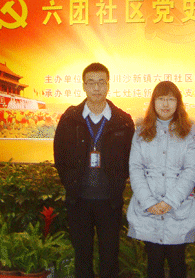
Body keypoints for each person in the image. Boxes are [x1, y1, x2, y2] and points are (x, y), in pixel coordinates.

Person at [53, 63, 135, 278]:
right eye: (91, 82)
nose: (96, 88)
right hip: (79, 200)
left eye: (101, 82)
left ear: (108, 85)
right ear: (83, 86)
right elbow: (60, 156)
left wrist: (118, 182)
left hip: (110, 201)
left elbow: (130, 157)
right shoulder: (70, 118)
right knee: (82, 257)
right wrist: (70, 183)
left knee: (110, 256)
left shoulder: (122, 120)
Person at [127, 81, 195, 278]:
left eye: (170, 99)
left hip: (178, 208)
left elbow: (190, 170)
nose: (165, 104)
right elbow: (135, 168)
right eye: (161, 99)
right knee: (154, 263)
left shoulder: (188, 131)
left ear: (178, 103)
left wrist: (170, 202)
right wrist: (149, 202)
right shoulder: (141, 130)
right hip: (148, 210)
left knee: (178, 263)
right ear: (153, 102)